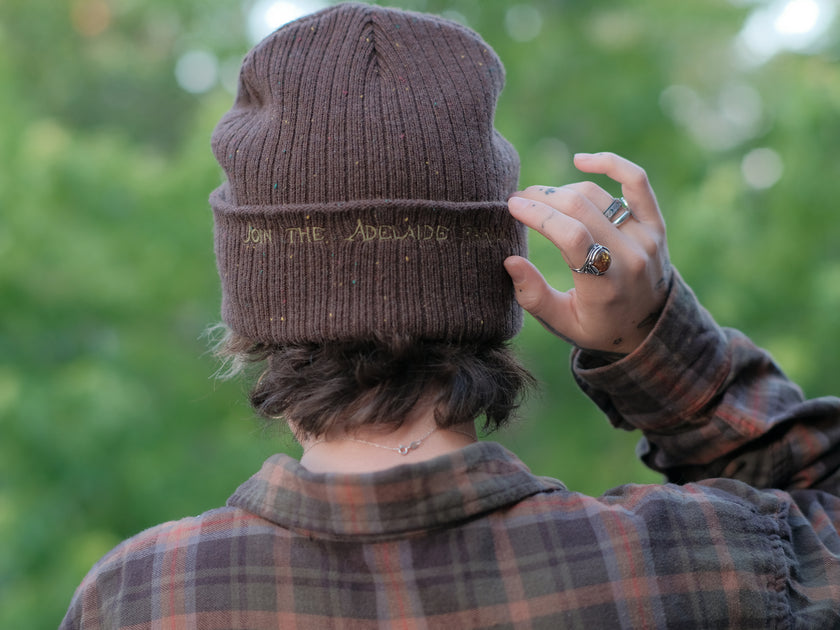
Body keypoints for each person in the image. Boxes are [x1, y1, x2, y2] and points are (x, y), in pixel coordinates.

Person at [60, 3, 840, 628]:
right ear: (501, 282)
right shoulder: (705, 564)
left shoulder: (142, 599)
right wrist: (656, 343)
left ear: (258, 306)